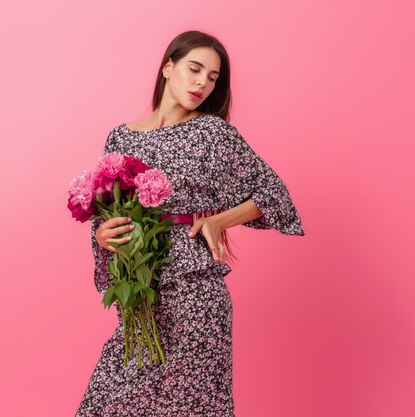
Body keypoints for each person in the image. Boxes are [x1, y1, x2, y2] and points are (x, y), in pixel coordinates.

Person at [75, 30, 305, 417]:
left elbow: (274, 196)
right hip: (141, 293)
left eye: (213, 77)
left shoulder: (213, 133)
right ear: (168, 67)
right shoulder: (120, 136)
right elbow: (106, 209)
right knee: (105, 403)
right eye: (194, 69)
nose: (202, 83)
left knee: (195, 408)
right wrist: (103, 234)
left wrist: (220, 220)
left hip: (195, 292)